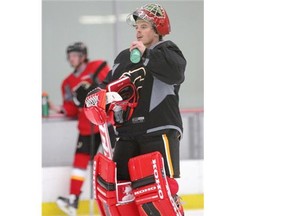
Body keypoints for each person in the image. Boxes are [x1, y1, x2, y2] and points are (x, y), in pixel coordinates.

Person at [87, 3, 187, 215]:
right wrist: (96, 98)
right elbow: (106, 85)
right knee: (118, 190)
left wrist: (146, 55)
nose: (138, 31)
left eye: (144, 26)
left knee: (159, 189)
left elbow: (176, 74)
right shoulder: (125, 57)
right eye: (137, 27)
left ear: (158, 29)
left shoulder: (167, 51)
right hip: (126, 134)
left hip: (158, 130)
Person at [48, 42, 116, 216]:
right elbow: (71, 108)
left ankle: (121, 191)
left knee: (115, 159)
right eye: (70, 56)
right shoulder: (67, 83)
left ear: (84, 55)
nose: (72, 58)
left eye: (76, 55)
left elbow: (112, 85)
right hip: (86, 127)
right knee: (79, 163)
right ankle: (73, 199)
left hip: (105, 123)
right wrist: (59, 109)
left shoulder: (98, 66)